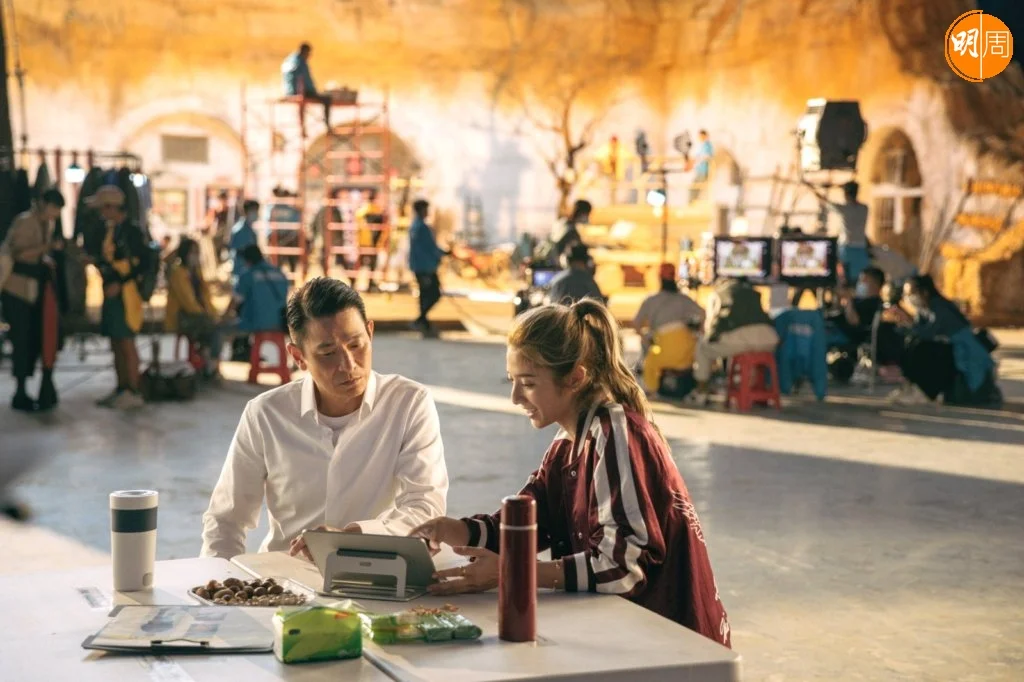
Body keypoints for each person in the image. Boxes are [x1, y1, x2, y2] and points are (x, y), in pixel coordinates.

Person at [408, 299, 730, 647]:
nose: (515, 397)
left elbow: (623, 568)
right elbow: (528, 524)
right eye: (512, 381)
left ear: (576, 377)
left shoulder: (614, 432)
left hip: (676, 646)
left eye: (528, 383)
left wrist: (515, 572)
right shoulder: (569, 442)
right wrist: (452, 530)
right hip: (631, 636)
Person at [201, 277, 449, 559]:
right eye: (328, 353)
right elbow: (226, 520)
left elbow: (425, 507)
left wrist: (352, 537)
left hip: (374, 568)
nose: (348, 365)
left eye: (356, 345)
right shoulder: (266, 414)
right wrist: (219, 579)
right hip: (284, 575)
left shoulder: (408, 403)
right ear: (298, 356)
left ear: (370, 333)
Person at [884, 275, 998, 406]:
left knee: (921, 349)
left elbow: (927, 333)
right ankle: (912, 387)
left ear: (924, 292)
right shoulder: (923, 309)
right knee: (909, 345)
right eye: (906, 294)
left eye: (912, 293)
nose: (909, 298)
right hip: (946, 347)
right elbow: (917, 330)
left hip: (961, 351)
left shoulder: (939, 307)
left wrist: (907, 321)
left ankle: (925, 392)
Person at [0, 188, 65, 411]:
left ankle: (31, 389)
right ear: (44, 204)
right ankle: (20, 392)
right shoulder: (26, 221)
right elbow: (19, 254)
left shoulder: (47, 224)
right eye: (54, 208)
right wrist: (47, 248)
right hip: (17, 289)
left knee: (35, 339)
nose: (55, 214)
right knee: (21, 341)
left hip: (34, 289)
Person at [92, 185, 148, 410]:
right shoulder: (111, 230)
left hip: (127, 295)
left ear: (112, 207)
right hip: (111, 293)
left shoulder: (132, 232)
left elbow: (142, 264)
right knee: (115, 341)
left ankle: (133, 390)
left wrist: (121, 282)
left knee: (126, 341)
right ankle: (121, 387)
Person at [689, 277, 779, 405]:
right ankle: (756, 390)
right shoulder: (752, 292)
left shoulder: (718, 293)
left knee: (702, 347)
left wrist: (711, 337)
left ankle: (701, 392)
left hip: (741, 338)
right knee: (747, 355)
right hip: (769, 338)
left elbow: (711, 323)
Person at [634, 263, 705, 393]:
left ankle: (651, 390)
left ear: (659, 279)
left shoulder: (650, 300)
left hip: (663, 353)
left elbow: (637, 324)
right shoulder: (684, 299)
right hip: (687, 355)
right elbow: (702, 313)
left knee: (649, 360)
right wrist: (701, 330)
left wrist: (645, 338)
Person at [165, 238, 224, 379]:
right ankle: (210, 363)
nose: (195, 255)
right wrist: (205, 316)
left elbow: (206, 297)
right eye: (192, 252)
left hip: (199, 315)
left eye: (197, 252)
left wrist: (213, 314)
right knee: (213, 328)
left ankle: (209, 362)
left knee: (219, 327)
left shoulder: (197, 272)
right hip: (184, 316)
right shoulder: (178, 272)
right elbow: (188, 302)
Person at [806, 180, 870, 286]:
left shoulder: (844, 209)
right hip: (861, 247)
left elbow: (825, 201)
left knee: (846, 278)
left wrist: (813, 188)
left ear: (846, 194)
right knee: (860, 279)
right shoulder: (864, 208)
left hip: (847, 247)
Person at [408, 199, 449, 338]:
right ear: (421, 210)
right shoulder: (422, 228)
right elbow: (430, 248)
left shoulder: (414, 226)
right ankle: (420, 319)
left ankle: (423, 322)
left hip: (419, 266)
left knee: (424, 295)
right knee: (434, 294)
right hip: (426, 267)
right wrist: (443, 253)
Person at [281, 42, 330, 126]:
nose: (309, 55)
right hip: (299, 92)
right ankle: (327, 125)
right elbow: (305, 80)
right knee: (327, 99)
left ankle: (302, 126)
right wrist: (313, 91)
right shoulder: (300, 63)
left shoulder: (289, 59)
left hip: (289, 91)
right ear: (305, 51)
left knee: (305, 102)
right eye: (308, 53)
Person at [356, 189, 386, 292]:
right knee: (365, 263)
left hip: (366, 242)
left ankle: (366, 283)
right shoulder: (370, 210)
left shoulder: (367, 210)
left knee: (365, 264)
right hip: (368, 242)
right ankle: (365, 283)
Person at [229, 199, 259, 279]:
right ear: (247, 212)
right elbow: (237, 252)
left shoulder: (250, 230)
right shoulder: (240, 230)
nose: (257, 214)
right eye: (254, 211)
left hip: (247, 271)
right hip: (242, 271)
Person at [690, 130, 713, 201]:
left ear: (704, 135)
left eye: (700, 136)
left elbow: (707, 156)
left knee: (696, 187)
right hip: (699, 170)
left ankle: (693, 201)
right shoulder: (701, 145)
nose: (699, 138)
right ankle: (693, 201)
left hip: (703, 170)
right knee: (694, 187)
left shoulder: (707, 145)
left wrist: (697, 160)